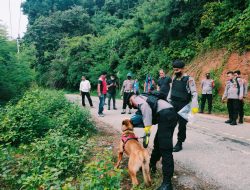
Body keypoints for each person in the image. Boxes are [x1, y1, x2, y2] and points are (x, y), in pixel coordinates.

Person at [128, 93, 178, 190]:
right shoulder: (145, 96)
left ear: (130, 100)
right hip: (170, 114)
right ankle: (151, 166)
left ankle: (167, 184)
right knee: (158, 142)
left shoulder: (135, 98)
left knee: (166, 150)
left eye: (132, 105)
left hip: (166, 115)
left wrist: (147, 130)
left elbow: (145, 108)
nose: (134, 106)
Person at [167, 60, 198, 152]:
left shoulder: (189, 79)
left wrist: (194, 106)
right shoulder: (174, 78)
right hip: (173, 103)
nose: (175, 72)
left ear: (182, 69)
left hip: (184, 105)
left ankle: (179, 143)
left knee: (182, 125)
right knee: (171, 123)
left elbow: (194, 93)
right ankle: (168, 141)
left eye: (177, 70)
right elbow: (171, 90)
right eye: (174, 70)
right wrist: (168, 101)